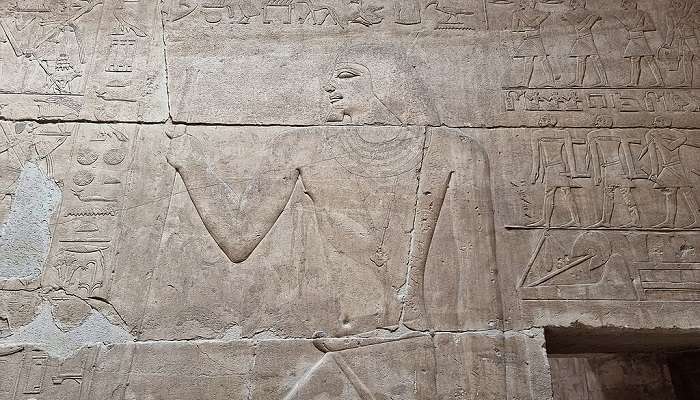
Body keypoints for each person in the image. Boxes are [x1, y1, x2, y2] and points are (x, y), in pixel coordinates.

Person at [166, 43, 501, 398]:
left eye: (347, 74)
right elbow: (238, 239)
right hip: (343, 341)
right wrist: (192, 165)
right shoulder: (302, 146)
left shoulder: (454, 150)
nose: (328, 86)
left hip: (411, 348)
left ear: (388, 83)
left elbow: (481, 289)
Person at [640, 116, 700, 228]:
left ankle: (696, 219)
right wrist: (654, 171)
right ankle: (670, 221)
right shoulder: (651, 134)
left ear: (665, 122)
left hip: (675, 166)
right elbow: (653, 154)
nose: (654, 122)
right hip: (667, 166)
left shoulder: (673, 133)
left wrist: (660, 139)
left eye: (658, 121)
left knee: (685, 191)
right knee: (670, 192)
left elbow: (671, 147)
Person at [586, 115, 640, 228]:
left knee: (618, 195)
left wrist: (597, 174)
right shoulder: (619, 134)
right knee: (620, 194)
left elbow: (595, 157)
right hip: (616, 168)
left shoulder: (593, 135)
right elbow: (627, 154)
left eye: (599, 120)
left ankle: (634, 221)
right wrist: (631, 171)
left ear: (605, 122)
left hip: (611, 169)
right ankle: (607, 221)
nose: (596, 123)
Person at [528, 115, 582, 227]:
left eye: (543, 119)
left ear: (548, 121)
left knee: (555, 194)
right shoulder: (563, 134)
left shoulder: (537, 134)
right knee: (564, 193)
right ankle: (547, 221)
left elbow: (536, 157)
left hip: (553, 168)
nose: (539, 121)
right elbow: (570, 153)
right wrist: (573, 171)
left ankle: (551, 221)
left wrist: (534, 172)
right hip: (558, 167)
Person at [615, 0, 664, 87]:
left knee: (649, 59)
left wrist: (635, 29)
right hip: (633, 39)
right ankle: (634, 82)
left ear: (632, 4)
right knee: (634, 60)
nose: (624, 6)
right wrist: (628, 32)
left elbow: (651, 26)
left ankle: (660, 81)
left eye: (626, 4)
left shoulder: (642, 13)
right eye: (624, 5)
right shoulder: (625, 15)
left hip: (640, 39)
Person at [511, 0, 558, 87]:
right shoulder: (518, 14)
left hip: (536, 39)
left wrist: (523, 19)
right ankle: (525, 83)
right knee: (528, 60)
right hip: (528, 38)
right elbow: (515, 28)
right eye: (531, 1)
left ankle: (551, 81)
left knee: (542, 59)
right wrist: (524, 25)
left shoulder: (539, 13)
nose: (534, 3)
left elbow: (533, 24)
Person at [561, 0, 608, 87]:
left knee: (593, 58)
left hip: (586, 37)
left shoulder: (572, 14)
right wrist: (589, 20)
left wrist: (573, 18)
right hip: (583, 37)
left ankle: (604, 81)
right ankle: (579, 82)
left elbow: (580, 26)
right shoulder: (590, 14)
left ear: (578, 3)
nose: (571, 5)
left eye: (573, 3)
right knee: (582, 59)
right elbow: (586, 24)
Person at [661, 0, 699, 87]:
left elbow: (697, 25)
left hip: (691, 38)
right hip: (681, 40)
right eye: (674, 2)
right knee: (686, 60)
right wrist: (668, 42)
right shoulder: (670, 14)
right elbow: (670, 29)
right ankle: (688, 82)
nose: (676, 3)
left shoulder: (690, 12)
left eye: (678, 2)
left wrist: (687, 22)